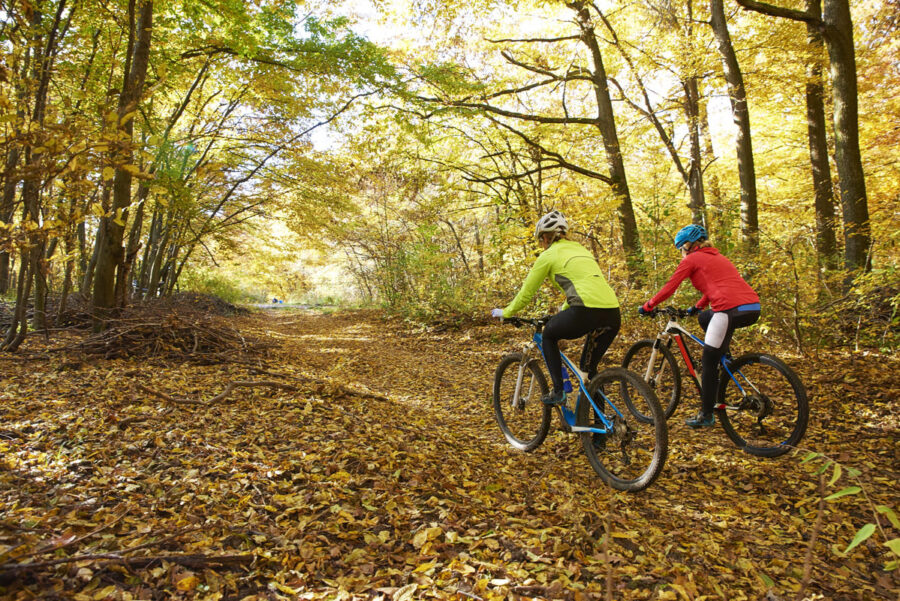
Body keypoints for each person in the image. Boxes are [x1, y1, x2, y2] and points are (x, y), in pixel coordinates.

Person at [491, 210, 621, 407]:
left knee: (549, 335)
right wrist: (563, 310)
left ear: (545, 237)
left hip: (585, 310)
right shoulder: (581, 250)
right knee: (589, 371)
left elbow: (526, 293)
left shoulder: (548, 255)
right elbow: (584, 285)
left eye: (540, 240)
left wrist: (506, 312)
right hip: (612, 312)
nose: (541, 244)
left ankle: (559, 391)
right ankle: (598, 433)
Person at [639, 224, 760, 427]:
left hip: (728, 310)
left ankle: (706, 415)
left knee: (708, 361)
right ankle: (726, 358)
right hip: (752, 307)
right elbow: (717, 287)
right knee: (705, 318)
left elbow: (670, 287)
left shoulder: (692, 259)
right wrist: (697, 307)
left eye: (681, 248)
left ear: (689, 245)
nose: (681, 252)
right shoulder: (718, 257)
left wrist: (649, 305)